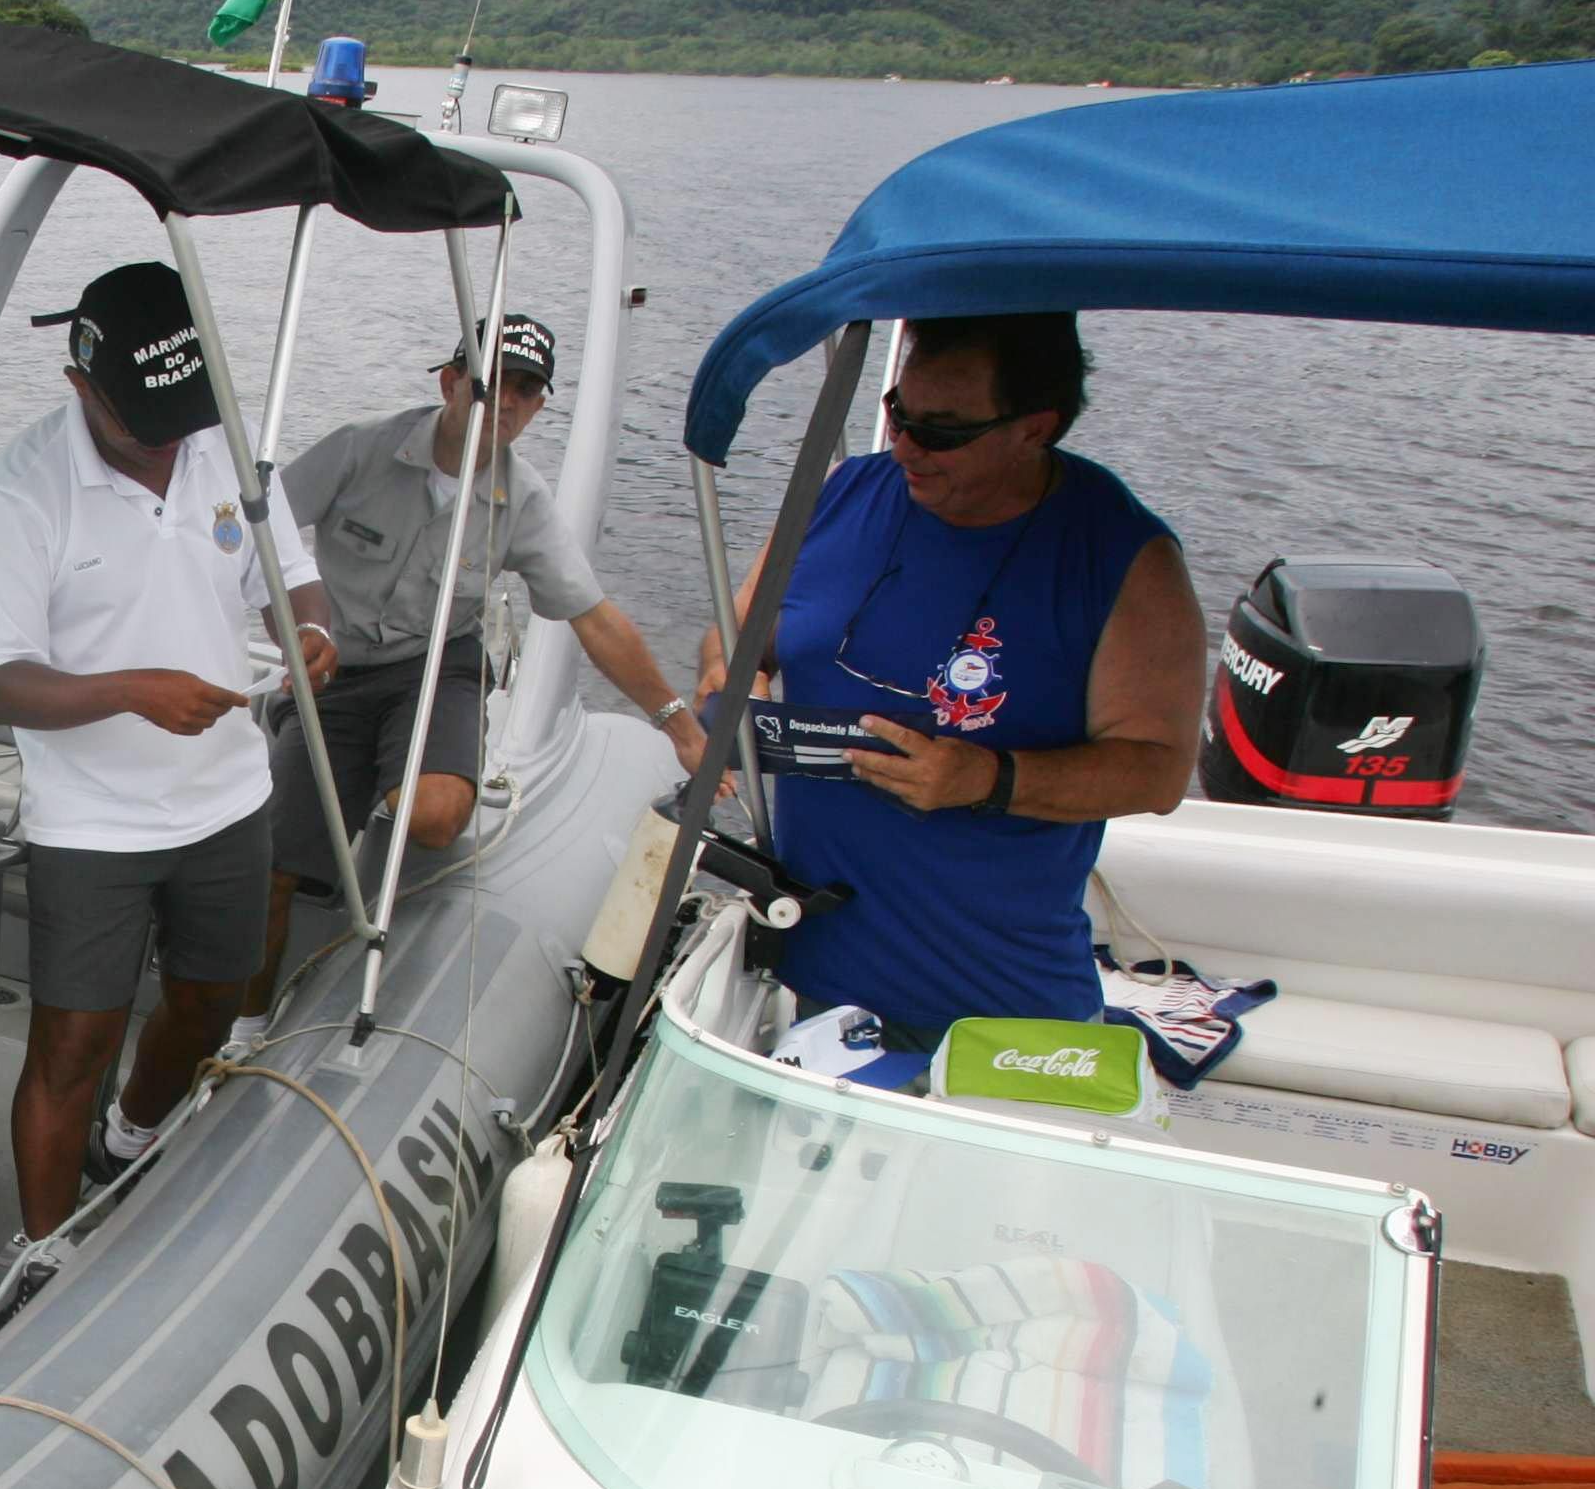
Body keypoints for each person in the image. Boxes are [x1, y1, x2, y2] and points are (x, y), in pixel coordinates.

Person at [701, 311, 1204, 1037]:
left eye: (941, 431)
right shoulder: (838, 494)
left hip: (1000, 1003)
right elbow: (737, 635)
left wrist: (987, 779)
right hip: (804, 975)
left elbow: (1157, 773)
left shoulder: (1124, 557)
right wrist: (733, 691)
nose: (905, 447)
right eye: (897, 413)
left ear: (1036, 427)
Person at [0, 260, 337, 1237]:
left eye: (184, 411)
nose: (173, 437)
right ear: (80, 384)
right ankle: (41, 1253)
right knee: (73, 1041)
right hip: (92, 821)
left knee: (208, 1001)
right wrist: (133, 692)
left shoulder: (226, 445)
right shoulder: (21, 488)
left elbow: (289, 574)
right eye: (146, 417)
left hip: (227, 799)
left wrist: (313, 630)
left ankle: (130, 1139)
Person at [244, 314, 708, 1036]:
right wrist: (291, 625)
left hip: (438, 663)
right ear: (451, 381)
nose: (507, 404)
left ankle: (384, 799)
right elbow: (257, 530)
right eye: (492, 384)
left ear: (540, 407)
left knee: (433, 816)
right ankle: (245, 1026)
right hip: (337, 668)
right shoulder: (359, 451)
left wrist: (680, 727)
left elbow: (592, 617)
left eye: (525, 391)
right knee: (272, 865)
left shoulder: (522, 500)